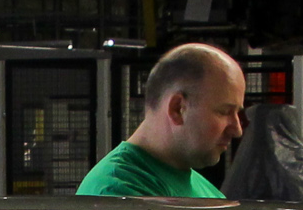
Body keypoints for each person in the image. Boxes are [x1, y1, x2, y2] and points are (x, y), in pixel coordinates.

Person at [78, 43, 246, 199]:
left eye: (237, 113)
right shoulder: (119, 191)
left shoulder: (196, 185)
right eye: (225, 112)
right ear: (178, 108)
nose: (237, 130)